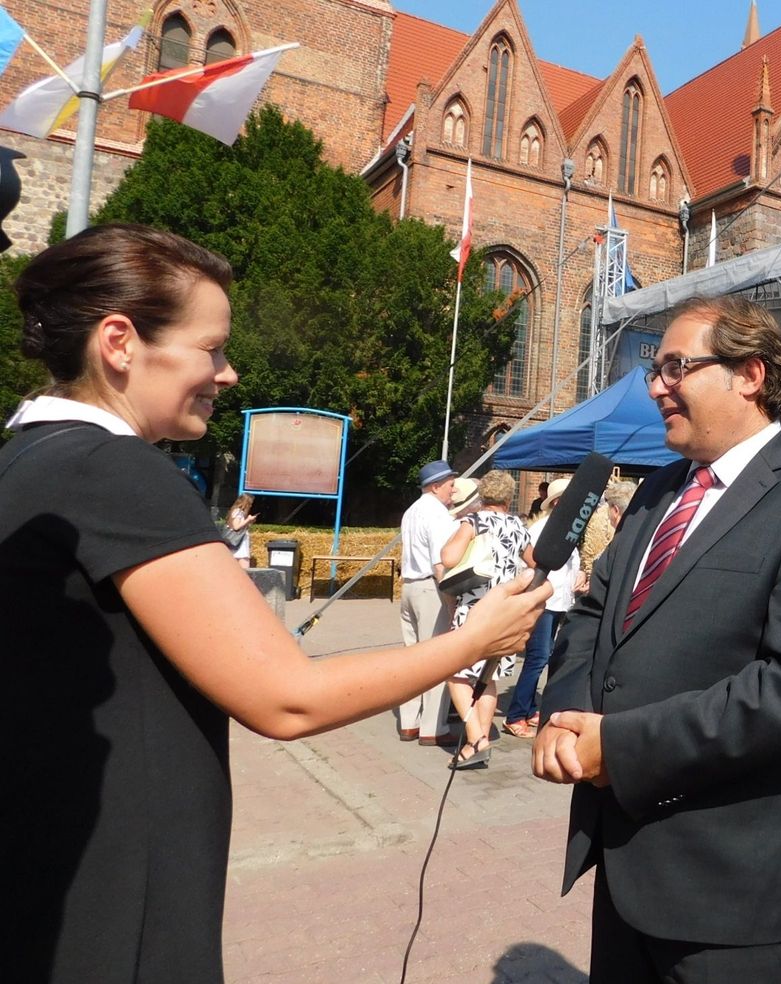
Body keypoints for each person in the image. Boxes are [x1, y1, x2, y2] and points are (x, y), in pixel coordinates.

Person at [0, 223, 551, 983]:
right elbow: (288, 698)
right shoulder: (115, 469)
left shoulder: (31, 454)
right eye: (211, 349)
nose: (226, 374)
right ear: (119, 342)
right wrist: (473, 640)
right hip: (118, 905)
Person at [531, 294, 781, 983]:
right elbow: (595, 613)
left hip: (739, 892)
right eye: (655, 370)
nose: (656, 387)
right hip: (627, 865)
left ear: (748, 375)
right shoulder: (656, 491)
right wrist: (564, 714)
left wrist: (620, 746)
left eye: (675, 368)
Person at [440, 472, 532, 768]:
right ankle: (481, 738)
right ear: (509, 497)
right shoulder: (518, 526)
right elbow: (535, 563)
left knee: (455, 673)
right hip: (504, 612)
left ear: (482, 495)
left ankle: (476, 738)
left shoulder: (474, 522)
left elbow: (449, 557)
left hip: (474, 608)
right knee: (488, 676)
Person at [508, 477, 588, 740]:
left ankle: (529, 707)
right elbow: (528, 562)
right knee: (538, 657)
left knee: (544, 656)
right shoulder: (542, 528)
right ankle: (516, 714)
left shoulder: (568, 530)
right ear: (557, 502)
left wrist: (580, 575)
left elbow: (570, 565)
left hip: (559, 601)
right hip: (543, 601)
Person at [397, 456, 463, 745]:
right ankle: (433, 728)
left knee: (411, 658)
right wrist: (450, 601)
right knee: (436, 659)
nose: (454, 490)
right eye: (450, 485)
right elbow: (440, 563)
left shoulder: (411, 511)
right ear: (436, 486)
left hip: (409, 587)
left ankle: (409, 722)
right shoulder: (438, 514)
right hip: (430, 589)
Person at [224, 493, 257, 569]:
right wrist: (248, 519)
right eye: (250, 503)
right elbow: (236, 527)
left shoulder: (237, 512)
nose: (251, 506)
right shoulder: (238, 512)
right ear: (246, 503)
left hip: (238, 545)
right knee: (245, 569)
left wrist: (249, 522)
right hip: (239, 545)